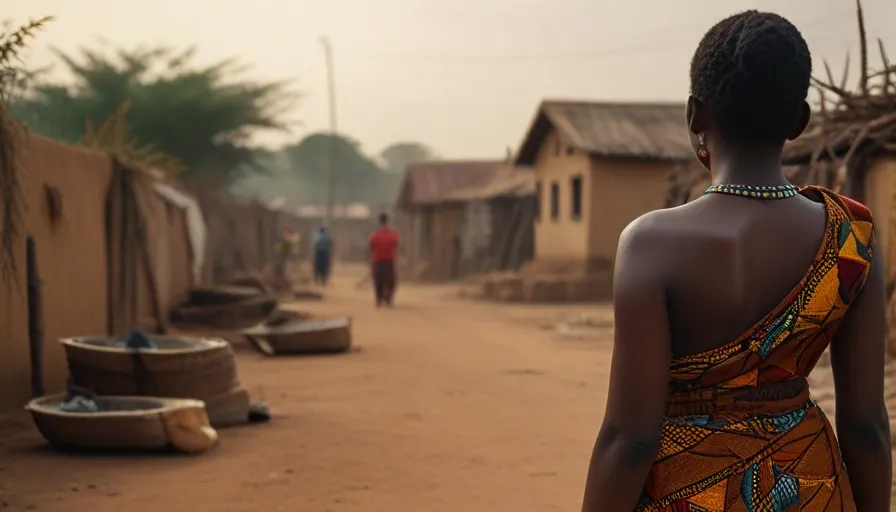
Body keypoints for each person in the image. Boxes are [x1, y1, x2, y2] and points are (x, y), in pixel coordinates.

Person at [581, 11, 890, 512]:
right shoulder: (851, 238)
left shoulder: (649, 243)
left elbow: (629, 439)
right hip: (808, 487)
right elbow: (867, 427)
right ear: (799, 120)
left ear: (694, 116)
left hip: (684, 493)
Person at [369, 213, 399, 307]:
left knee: (377, 281)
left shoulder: (374, 236)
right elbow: (396, 245)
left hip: (378, 261)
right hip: (389, 262)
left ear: (379, 222)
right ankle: (388, 299)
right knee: (391, 281)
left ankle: (379, 299)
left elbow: (371, 247)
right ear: (387, 221)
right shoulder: (393, 235)